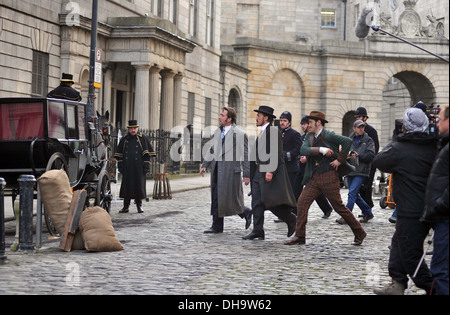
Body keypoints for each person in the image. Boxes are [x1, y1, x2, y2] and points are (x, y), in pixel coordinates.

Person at [373, 108, 438, 295]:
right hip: (429, 206)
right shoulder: (433, 146)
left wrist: (395, 139)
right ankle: (397, 283)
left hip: (410, 210)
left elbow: (379, 161)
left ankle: (433, 287)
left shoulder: (400, 148)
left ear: (406, 127)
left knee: (410, 253)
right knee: (398, 244)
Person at [285, 111, 366, 246]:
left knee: (339, 207)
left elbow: (347, 141)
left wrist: (339, 161)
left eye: (310, 122)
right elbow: (303, 150)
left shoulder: (328, 135)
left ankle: (359, 232)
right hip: (314, 177)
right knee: (302, 202)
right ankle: (300, 235)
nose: (308, 125)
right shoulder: (309, 136)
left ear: (318, 123)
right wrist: (321, 150)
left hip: (329, 176)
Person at [243, 106, 297, 240]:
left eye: (259, 116)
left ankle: (290, 219)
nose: (256, 118)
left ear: (266, 118)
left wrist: (270, 170)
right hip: (257, 172)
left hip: (266, 171)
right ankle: (258, 230)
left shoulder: (273, 131)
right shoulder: (262, 132)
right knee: (256, 202)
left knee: (270, 202)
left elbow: (275, 152)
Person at [200, 107, 252, 233]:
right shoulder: (218, 132)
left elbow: (246, 155)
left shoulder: (239, 134)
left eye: (222, 115)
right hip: (217, 170)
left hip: (230, 172)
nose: (219, 117)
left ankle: (245, 212)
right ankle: (217, 226)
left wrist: (247, 174)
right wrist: (205, 164)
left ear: (229, 119)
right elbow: (211, 150)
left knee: (230, 200)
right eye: (220, 114)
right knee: (217, 197)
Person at [421, 104, 449, 295]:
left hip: (446, 217)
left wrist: (439, 206)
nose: (437, 124)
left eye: (440, 120)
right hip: (443, 217)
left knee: (441, 272)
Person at [336, 120, 375, 224]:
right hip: (350, 170)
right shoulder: (349, 140)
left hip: (362, 171)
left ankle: (346, 217)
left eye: (362, 127)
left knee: (352, 193)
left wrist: (358, 155)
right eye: (359, 127)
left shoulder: (369, 140)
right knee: (355, 195)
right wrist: (346, 156)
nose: (361, 129)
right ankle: (367, 212)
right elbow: (343, 152)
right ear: (354, 128)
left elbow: (371, 155)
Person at [115, 120, 155, 213]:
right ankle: (126, 207)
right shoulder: (124, 140)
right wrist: (120, 165)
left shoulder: (142, 138)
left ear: (137, 129)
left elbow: (147, 154)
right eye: (131, 128)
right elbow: (120, 154)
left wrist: (146, 166)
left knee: (138, 186)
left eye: (134, 128)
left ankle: (139, 206)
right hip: (128, 167)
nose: (133, 130)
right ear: (129, 129)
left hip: (138, 167)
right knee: (127, 187)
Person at [297, 116, 333, 218]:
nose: (303, 126)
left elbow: (314, 150)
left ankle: (326, 208)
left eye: (305, 124)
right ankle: (296, 211)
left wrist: (307, 158)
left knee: (315, 191)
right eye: (302, 124)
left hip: (311, 167)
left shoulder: (313, 136)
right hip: (301, 167)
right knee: (297, 189)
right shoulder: (302, 137)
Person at [354, 107, 379, 208]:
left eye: (360, 117)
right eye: (356, 117)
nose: (358, 119)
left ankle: (367, 209)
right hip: (358, 164)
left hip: (369, 164)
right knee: (359, 188)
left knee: (366, 188)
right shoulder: (355, 131)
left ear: (365, 118)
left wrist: (367, 157)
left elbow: (375, 148)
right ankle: (368, 207)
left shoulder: (371, 130)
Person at [279, 111, 301, 214]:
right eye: (281, 120)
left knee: (291, 192)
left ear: (289, 122)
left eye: (285, 121)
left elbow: (298, 150)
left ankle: (294, 212)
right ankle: (284, 213)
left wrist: (286, 155)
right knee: (282, 192)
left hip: (291, 168)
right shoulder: (278, 133)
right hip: (280, 168)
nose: (282, 123)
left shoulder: (295, 134)